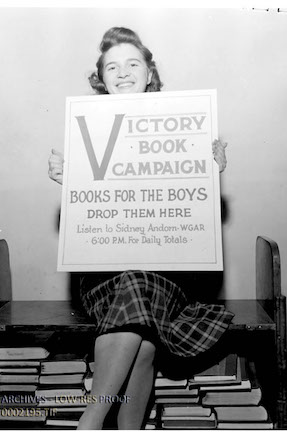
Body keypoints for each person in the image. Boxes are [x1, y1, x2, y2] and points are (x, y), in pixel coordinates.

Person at [48, 27, 233, 430]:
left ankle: (97, 426)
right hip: (104, 276)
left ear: (150, 73)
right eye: (112, 67)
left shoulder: (182, 125)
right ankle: (104, 426)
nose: (124, 72)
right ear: (102, 79)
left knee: (143, 303)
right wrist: (70, 177)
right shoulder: (88, 130)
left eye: (134, 63)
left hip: (166, 272)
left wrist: (208, 170)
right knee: (140, 321)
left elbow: (191, 213)